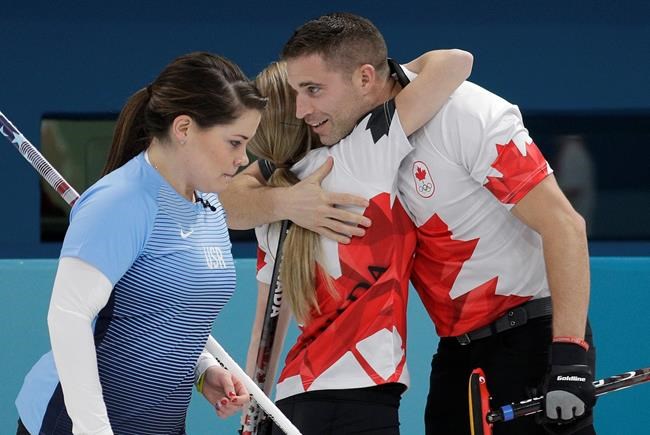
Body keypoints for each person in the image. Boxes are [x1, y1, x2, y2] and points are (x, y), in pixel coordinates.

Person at [221, 13, 596, 435]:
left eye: (312, 90)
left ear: (365, 78)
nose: (301, 109)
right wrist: (287, 200)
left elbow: (565, 225)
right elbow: (234, 199)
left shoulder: (464, 114)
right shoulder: (347, 146)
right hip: (457, 352)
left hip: (531, 339)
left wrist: (569, 356)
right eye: (294, 94)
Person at [15, 52, 267, 435]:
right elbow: (69, 317)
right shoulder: (122, 201)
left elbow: (164, 310)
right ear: (184, 128)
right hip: (75, 423)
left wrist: (203, 371)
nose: (242, 157)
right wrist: (93, 430)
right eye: (234, 142)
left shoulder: (210, 205)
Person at [242, 49, 472, 435]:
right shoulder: (362, 152)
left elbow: (263, 335)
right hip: (362, 404)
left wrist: (252, 421)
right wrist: (366, 76)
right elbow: (456, 62)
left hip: (291, 401)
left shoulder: (269, 202)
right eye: (308, 91)